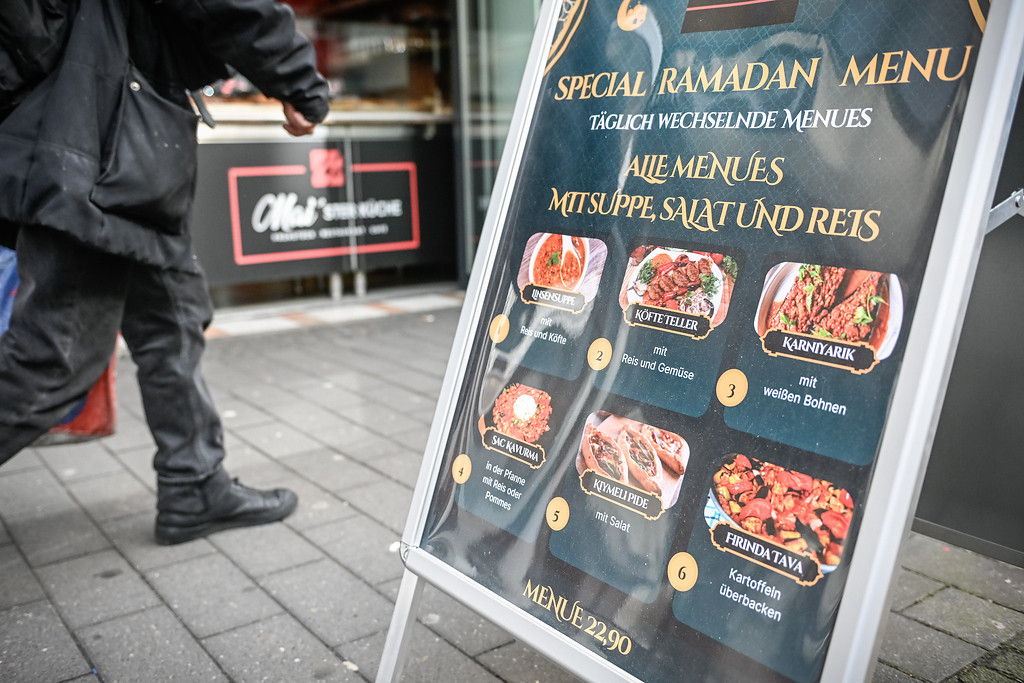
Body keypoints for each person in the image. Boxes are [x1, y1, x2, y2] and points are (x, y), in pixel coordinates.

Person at [0, 0, 329, 544]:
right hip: (99, 137)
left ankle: (194, 484)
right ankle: (194, 482)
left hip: (124, 135)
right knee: (54, 362)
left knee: (174, 318)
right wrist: (299, 81)